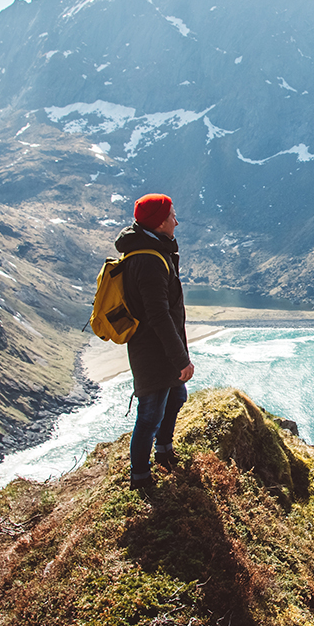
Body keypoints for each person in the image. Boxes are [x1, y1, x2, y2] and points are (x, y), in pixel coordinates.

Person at [115, 193, 194, 491]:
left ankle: (164, 451)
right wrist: (181, 359)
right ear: (160, 223)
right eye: (172, 216)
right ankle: (140, 477)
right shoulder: (148, 261)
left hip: (161, 347)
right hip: (152, 351)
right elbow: (158, 316)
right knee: (149, 415)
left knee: (176, 398)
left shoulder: (152, 250)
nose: (176, 221)